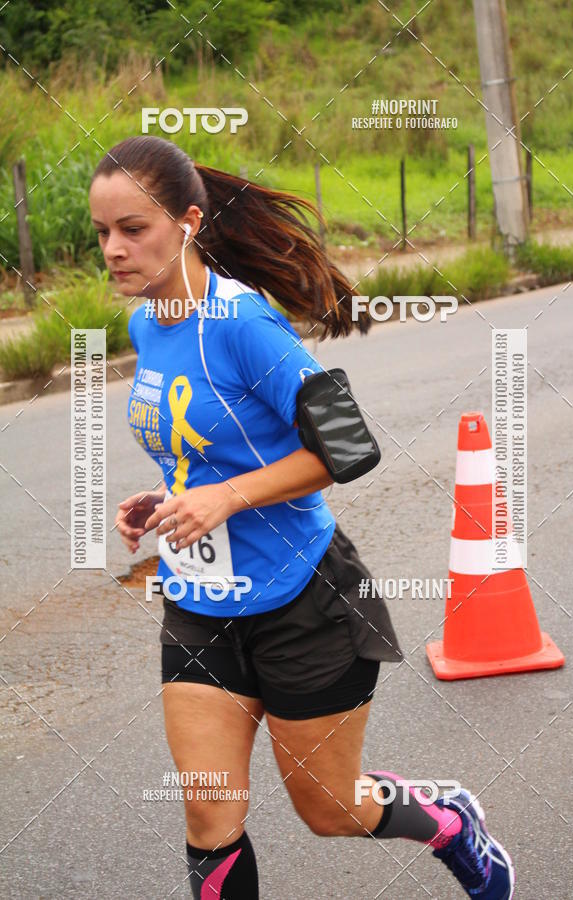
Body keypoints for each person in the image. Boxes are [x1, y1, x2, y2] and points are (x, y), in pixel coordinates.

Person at [89, 135, 514, 899]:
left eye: (132, 229)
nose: (113, 250)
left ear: (186, 224)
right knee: (208, 808)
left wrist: (225, 496)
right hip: (199, 605)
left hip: (303, 600)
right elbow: (208, 446)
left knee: (332, 809)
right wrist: (172, 496)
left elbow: (349, 449)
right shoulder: (147, 325)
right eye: (102, 233)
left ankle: (450, 821)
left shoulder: (244, 324)